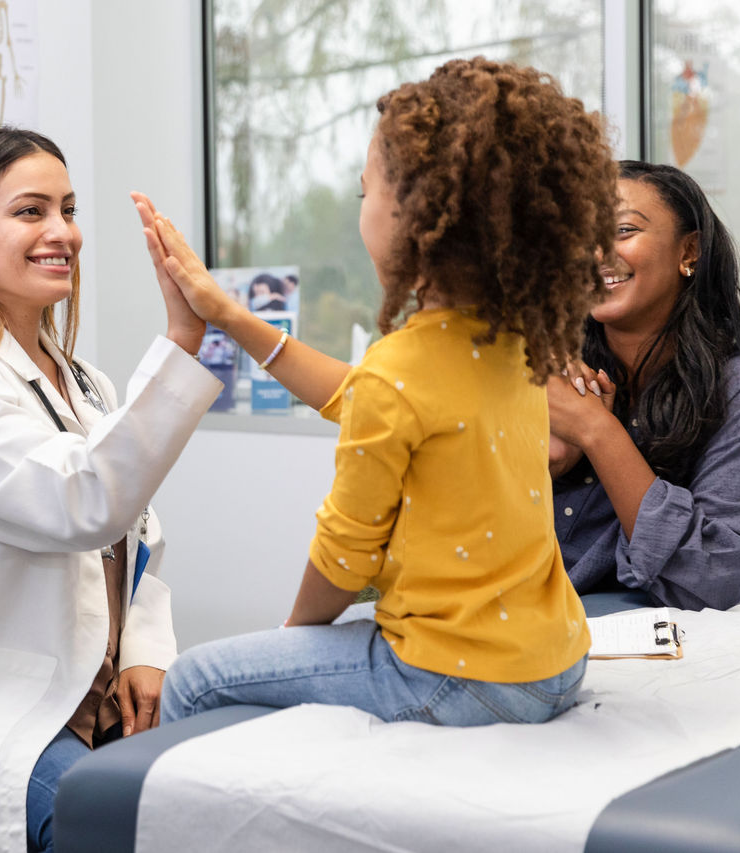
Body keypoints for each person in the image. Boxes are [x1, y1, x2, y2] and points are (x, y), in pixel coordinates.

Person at [134, 57, 619, 728]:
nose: (361, 201)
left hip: (457, 676)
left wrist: (290, 636)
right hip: (554, 664)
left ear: (413, 214)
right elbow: (362, 394)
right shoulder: (509, 342)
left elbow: (343, 559)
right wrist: (230, 314)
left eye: (365, 189)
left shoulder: (402, 369)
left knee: (192, 680)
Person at [0, 126, 220, 853]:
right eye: (31, 211)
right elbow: (84, 502)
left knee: (205, 811)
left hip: (89, 701)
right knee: (121, 830)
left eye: (69, 209)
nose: (62, 232)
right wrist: (180, 341)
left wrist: (146, 646)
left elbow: (136, 534)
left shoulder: (82, 380)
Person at [547, 162, 740, 611]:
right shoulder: (549, 365)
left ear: (689, 251)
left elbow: (715, 577)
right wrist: (549, 464)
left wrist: (597, 432)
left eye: (622, 230)